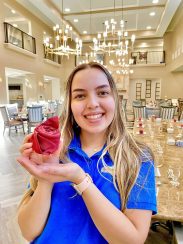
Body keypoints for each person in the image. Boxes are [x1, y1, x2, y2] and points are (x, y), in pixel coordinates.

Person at [17, 62, 157, 244]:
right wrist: (46, 177)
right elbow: (28, 232)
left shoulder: (138, 157)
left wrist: (81, 180)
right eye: (80, 95)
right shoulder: (56, 151)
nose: (92, 104)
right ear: (70, 105)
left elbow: (132, 240)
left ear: (115, 98)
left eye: (102, 93)